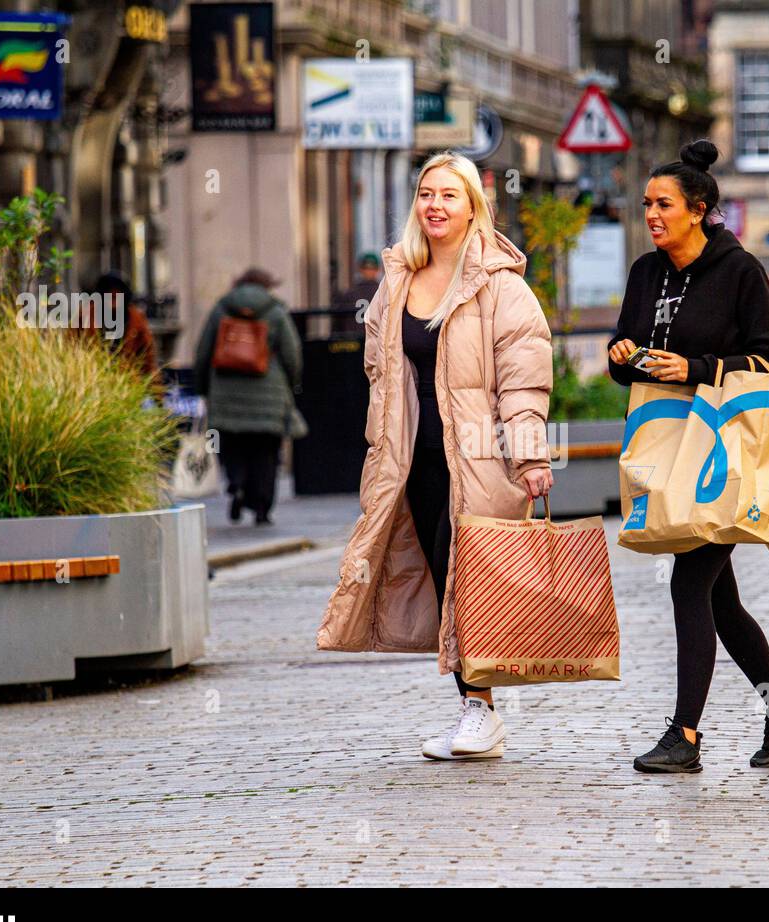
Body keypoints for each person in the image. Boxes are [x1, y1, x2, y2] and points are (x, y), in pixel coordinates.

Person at [316, 150, 554, 762]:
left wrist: (529, 459)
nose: (435, 205)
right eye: (426, 193)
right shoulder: (397, 282)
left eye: (450, 194)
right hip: (412, 461)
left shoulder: (502, 288)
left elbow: (522, 381)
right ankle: (476, 713)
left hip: (476, 461)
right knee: (444, 579)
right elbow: (380, 372)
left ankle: (482, 712)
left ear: (474, 207)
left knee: (471, 583)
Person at [606, 138, 769, 774]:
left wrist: (698, 368)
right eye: (646, 203)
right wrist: (623, 354)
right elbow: (630, 353)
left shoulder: (740, 272)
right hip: (668, 449)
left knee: (689, 583)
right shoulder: (646, 273)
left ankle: (686, 736)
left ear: (698, 210)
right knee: (719, 599)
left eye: (663, 203)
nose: (650, 213)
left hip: (724, 452)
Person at [193, 268, 304, 526]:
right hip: (269, 393)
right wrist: (292, 383)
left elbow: (203, 352)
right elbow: (292, 353)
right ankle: (262, 507)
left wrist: (203, 389)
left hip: (225, 391)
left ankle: (236, 484)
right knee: (266, 452)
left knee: (232, 445)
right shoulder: (275, 311)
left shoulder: (221, 309)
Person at [76, 271, 160, 380]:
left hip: (128, 383)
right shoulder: (84, 317)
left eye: (116, 297)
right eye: (109, 296)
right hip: (92, 381)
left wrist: (156, 393)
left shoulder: (136, 320)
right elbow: (70, 351)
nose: (113, 302)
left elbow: (148, 361)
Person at [333, 253, 382, 333]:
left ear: (360, 269)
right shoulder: (384, 293)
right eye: (367, 269)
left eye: (371, 269)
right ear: (378, 270)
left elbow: (338, 324)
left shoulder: (349, 293)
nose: (369, 272)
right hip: (376, 340)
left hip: (353, 342)